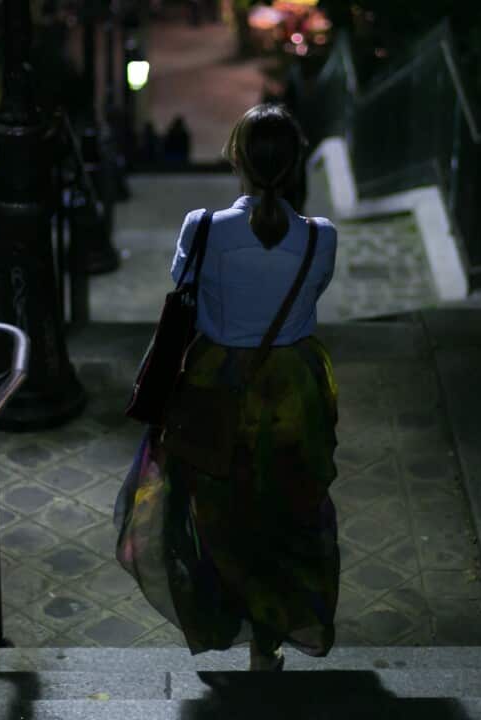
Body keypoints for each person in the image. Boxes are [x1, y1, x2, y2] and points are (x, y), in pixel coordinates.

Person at [115, 104, 340, 671]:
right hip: (292, 391)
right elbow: (310, 299)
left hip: (217, 384)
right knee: (287, 513)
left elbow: (183, 283)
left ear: (235, 158)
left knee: (215, 511)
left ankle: (221, 615)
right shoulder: (321, 239)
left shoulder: (204, 228)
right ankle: (270, 641)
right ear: (294, 166)